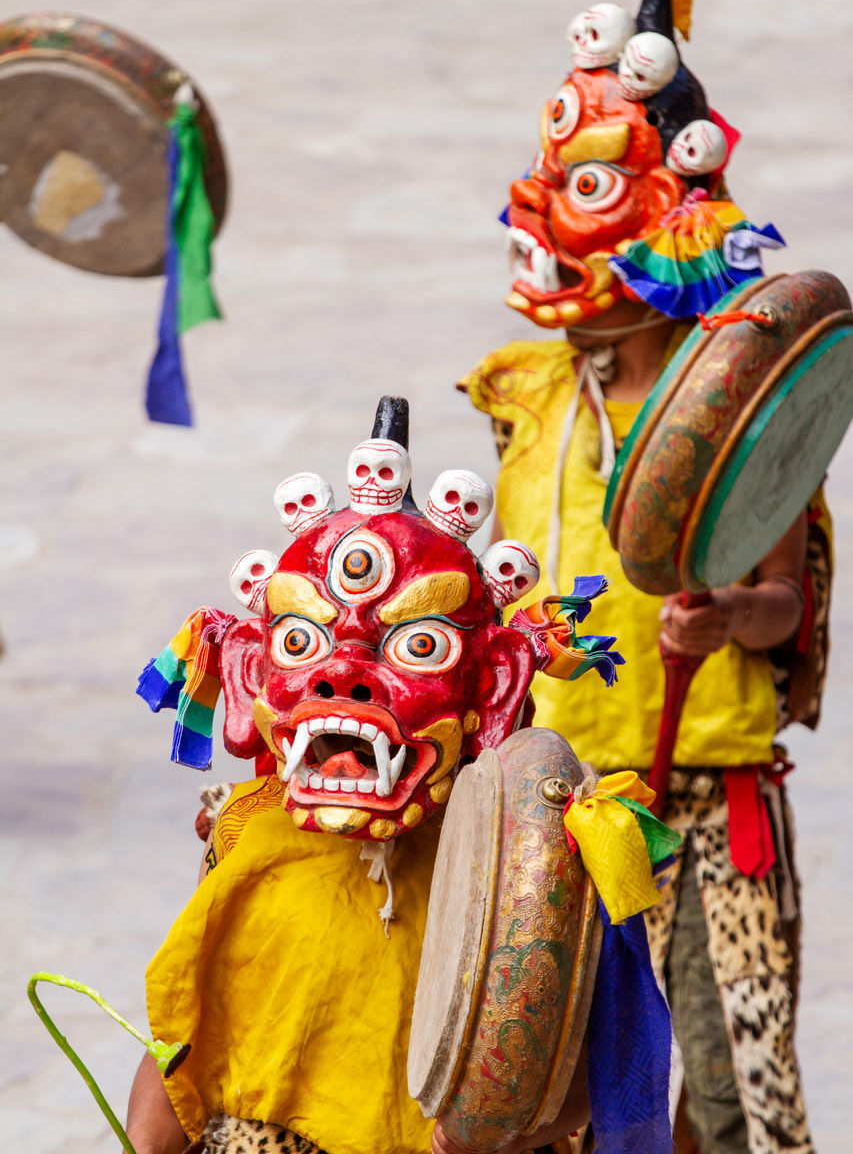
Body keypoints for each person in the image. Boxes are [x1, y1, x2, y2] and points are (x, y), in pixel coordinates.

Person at [463, 0, 829, 1154]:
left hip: (706, 797)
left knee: (730, 1099)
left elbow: (786, 603)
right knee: (548, 1102)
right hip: (561, 799)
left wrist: (727, 616)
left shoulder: (738, 401)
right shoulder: (519, 395)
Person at [124, 409, 671, 1154]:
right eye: (300, 641)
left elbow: (590, 1070)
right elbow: (187, 1026)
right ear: (254, 673)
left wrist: (491, 1134)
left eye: (415, 645)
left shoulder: (527, 860)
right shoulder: (245, 831)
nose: (344, 675)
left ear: (495, 686)